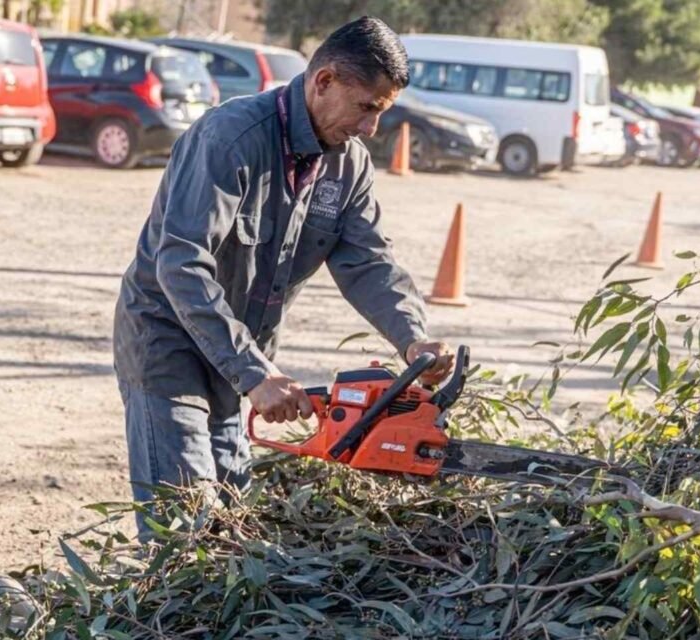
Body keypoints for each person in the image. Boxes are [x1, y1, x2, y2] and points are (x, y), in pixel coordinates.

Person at [112, 16, 453, 538]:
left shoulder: (349, 167)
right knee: (184, 527)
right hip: (167, 344)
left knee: (233, 520)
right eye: (367, 108)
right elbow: (181, 263)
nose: (371, 129)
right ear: (324, 81)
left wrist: (413, 340)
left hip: (242, 359)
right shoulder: (230, 140)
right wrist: (255, 373)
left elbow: (368, 261)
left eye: (381, 114)